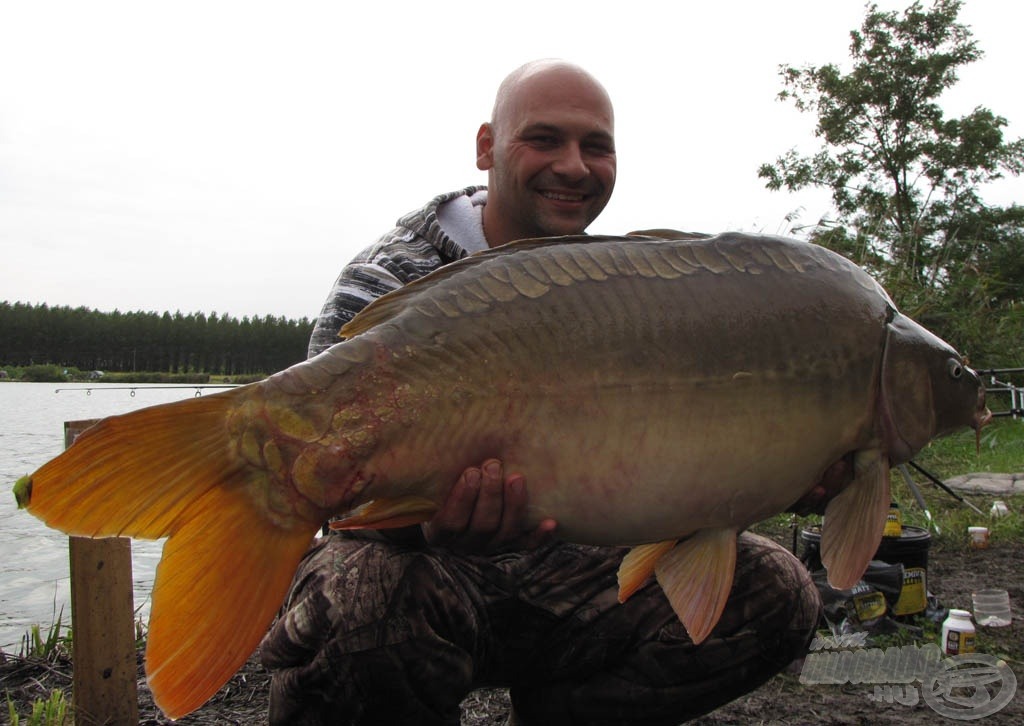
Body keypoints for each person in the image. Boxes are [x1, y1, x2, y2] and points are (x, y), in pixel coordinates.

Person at [261, 59, 833, 726]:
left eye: (597, 146)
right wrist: (424, 524)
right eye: (544, 139)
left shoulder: (625, 290)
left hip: (574, 571)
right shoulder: (388, 279)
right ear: (486, 147)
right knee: (358, 600)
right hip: (427, 577)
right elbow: (333, 500)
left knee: (775, 589)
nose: (574, 166)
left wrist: (776, 473)